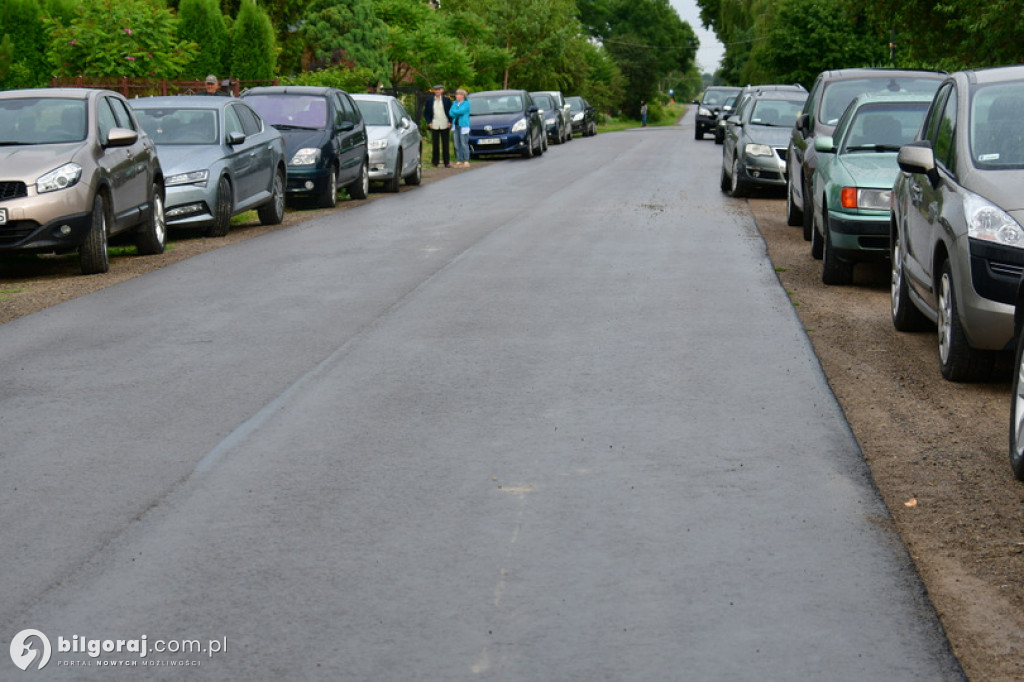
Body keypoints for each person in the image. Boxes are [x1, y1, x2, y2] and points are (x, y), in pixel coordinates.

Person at [423, 84, 452, 167]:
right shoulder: (430, 101)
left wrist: (450, 121)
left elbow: (451, 112)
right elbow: (426, 113)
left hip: (445, 123)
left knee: (445, 144)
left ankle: (447, 162)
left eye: (439, 90)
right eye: (436, 90)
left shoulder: (447, 100)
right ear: (434, 91)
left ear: (442, 91)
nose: (437, 91)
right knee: (435, 144)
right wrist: (429, 122)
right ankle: (435, 162)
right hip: (434, 124)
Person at [448, 88, 472, 168]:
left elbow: (462, 111)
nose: (456, 96)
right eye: (456, 94)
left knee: (463, 143)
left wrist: (456, 112)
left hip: (463, 125)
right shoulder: (455, 103)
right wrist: (456, 112)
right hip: (456, 125)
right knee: (456, 144)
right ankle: (459, 159)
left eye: (458, 94)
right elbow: (450, 113)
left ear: (462, 95)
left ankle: (466, 160)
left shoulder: (466, 103)